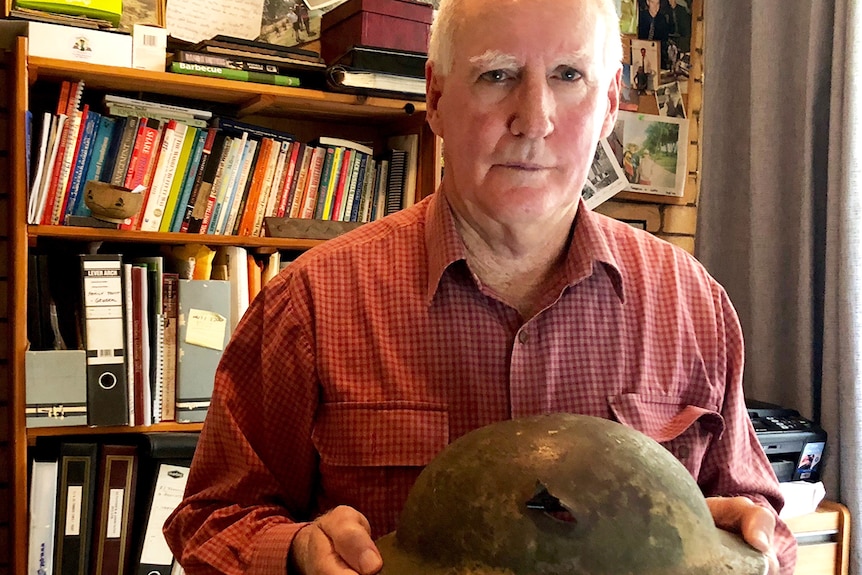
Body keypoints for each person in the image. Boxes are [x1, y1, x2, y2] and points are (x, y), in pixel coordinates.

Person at [164, 0, 797, 574]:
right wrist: (296, 553)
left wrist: (752, 540)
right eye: (497, 74)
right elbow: (208, 525)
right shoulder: (309, 305)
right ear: (436, 98)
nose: (534, 119)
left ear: (609, 105)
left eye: (568, 76)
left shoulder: (694, 306)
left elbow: (764, 523)